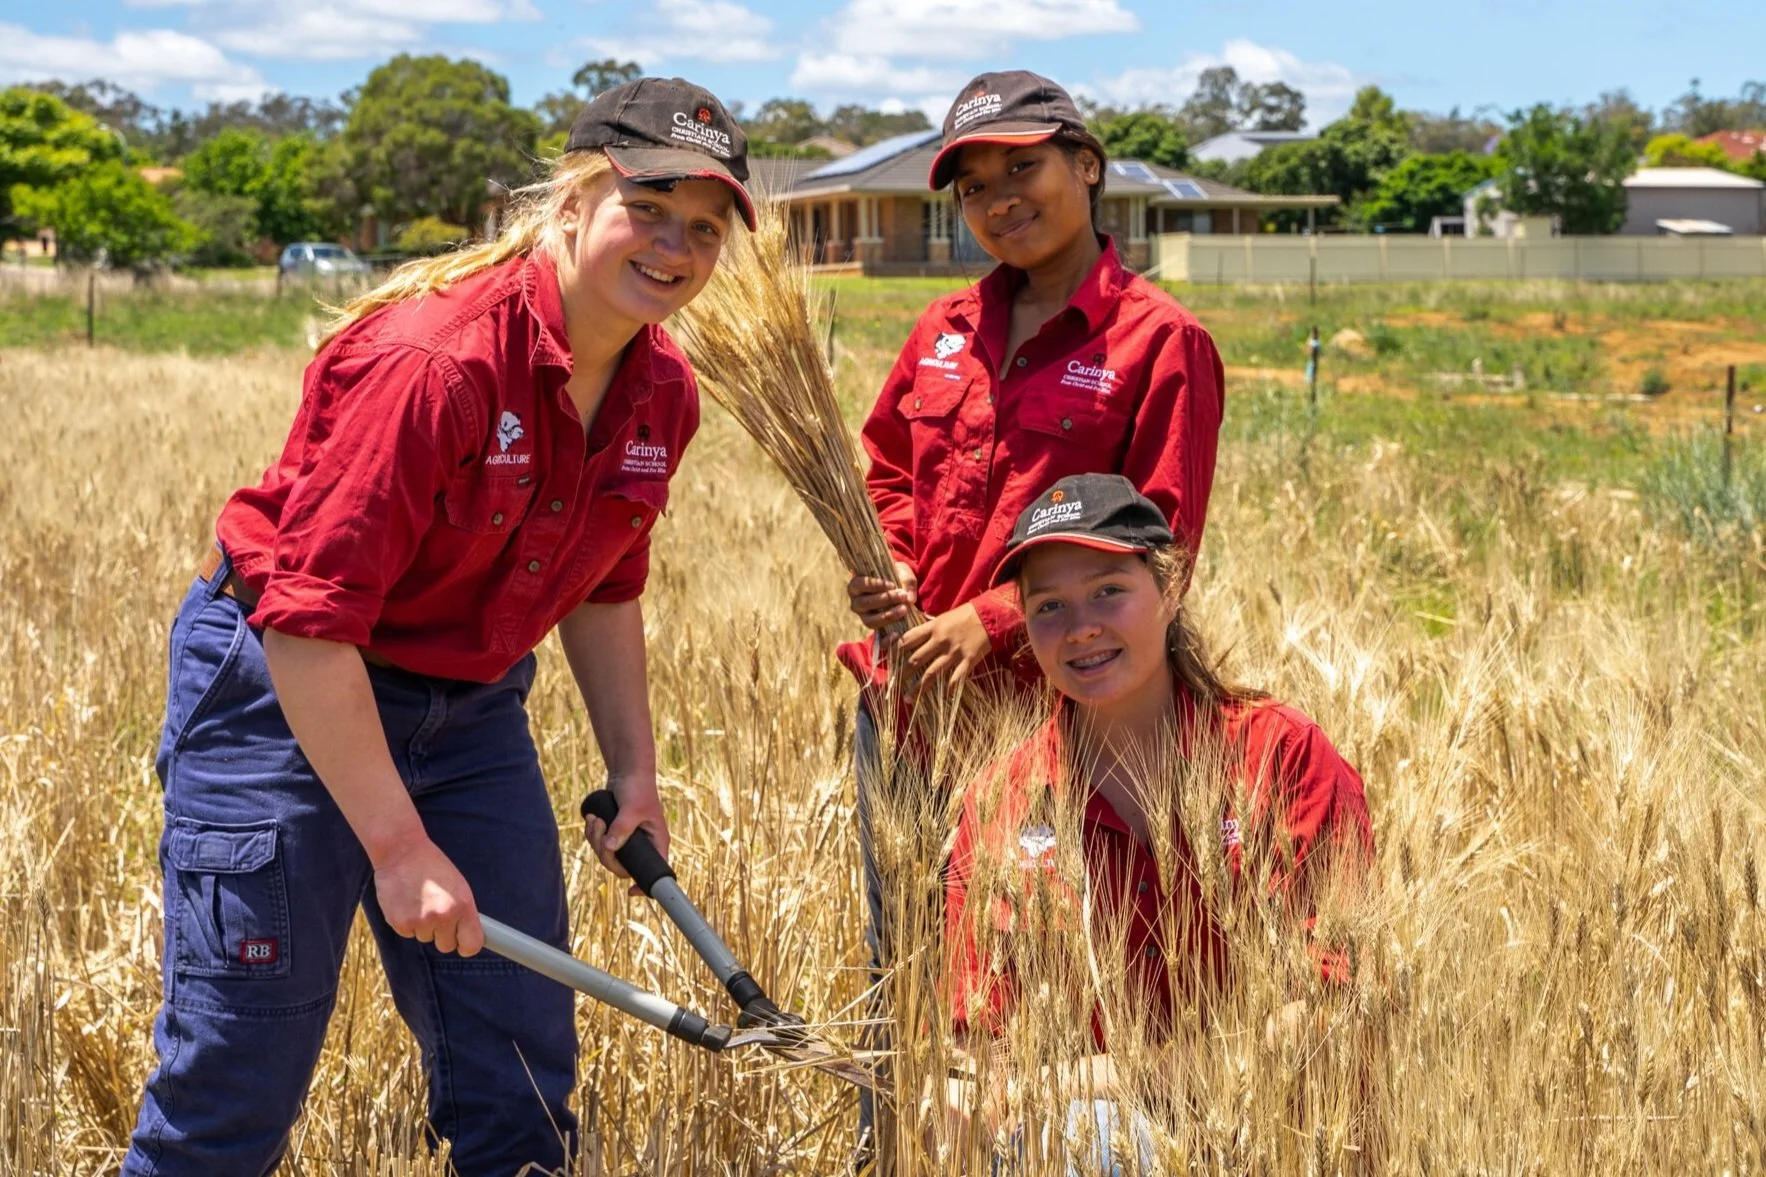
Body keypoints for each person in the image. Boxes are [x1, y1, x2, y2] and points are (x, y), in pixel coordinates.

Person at [121, 77, 756, 1176]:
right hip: (285, 693)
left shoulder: (662, 391)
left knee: (519, 1081)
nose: (673, 245)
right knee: (236, 1083)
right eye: (645, 207)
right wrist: (397, 844)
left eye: (702, 228)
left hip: (467, 712)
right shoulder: (435, 360)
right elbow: (309, 622)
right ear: (569, 205)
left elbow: (605, 583)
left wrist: (633, 769)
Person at [837, 69, 1227, 1151]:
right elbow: (882, 467)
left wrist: (994, 620)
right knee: (903, 976)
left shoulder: (1158, 343)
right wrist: (894, 574)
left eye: (1023, 167)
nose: (999, 198)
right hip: (909, 708)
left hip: (1055, 725)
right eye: (971, 185)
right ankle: (902, 1156)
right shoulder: (942, 329)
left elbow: (1162, 539)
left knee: (1040, 984)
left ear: (1085, 166)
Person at [942, 474, 1375, 1172]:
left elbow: (1331, 1009)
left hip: (1281, 1145)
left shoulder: (1280, 756)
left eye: (1109, 589)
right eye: (1048, 604)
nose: (1081, 625)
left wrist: (1090, 1079)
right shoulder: (1002, 799)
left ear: (1171, 590)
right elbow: (979, 1039)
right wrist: (963, 1100)